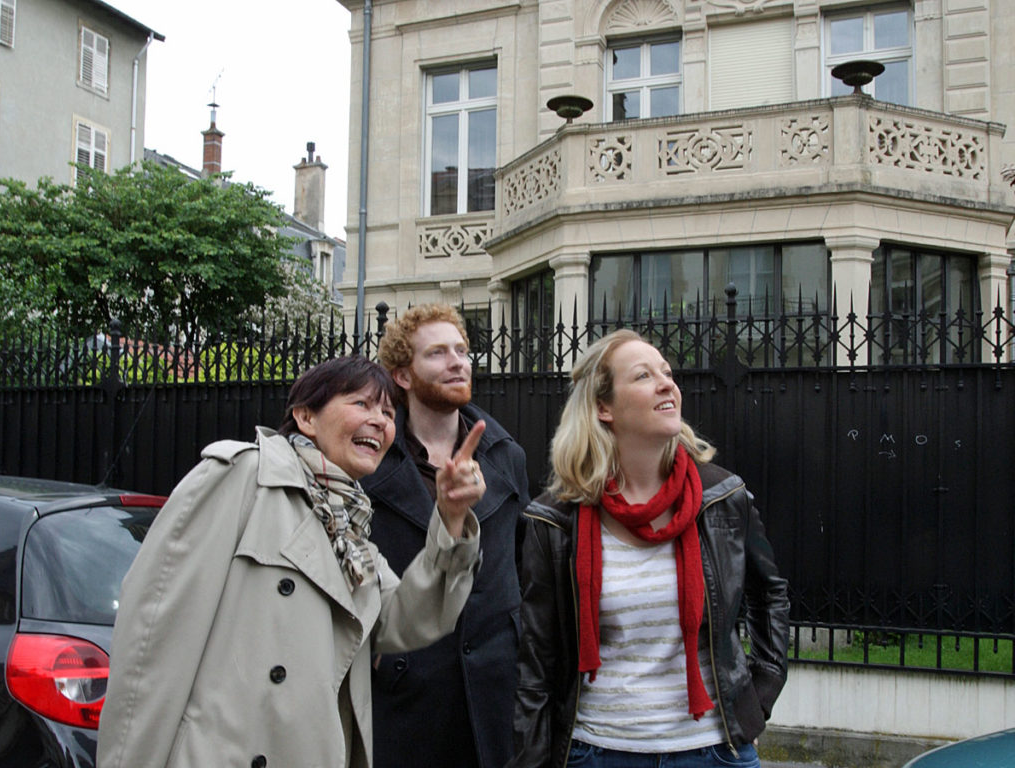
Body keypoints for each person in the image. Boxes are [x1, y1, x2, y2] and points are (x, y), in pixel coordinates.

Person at [98, 355, 487, 768]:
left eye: (389, 412)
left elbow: (407, 620)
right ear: (306, 417)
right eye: (361, 404)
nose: (380, 421)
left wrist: (450, 517)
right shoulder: (245, 476)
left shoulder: (352, 533)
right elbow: (154, 631)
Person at [509, 329, 790, 768]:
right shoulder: (554, 521)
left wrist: (761, 689)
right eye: (643, 376)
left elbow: (769, 593)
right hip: (598, 752)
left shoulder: (723, 498)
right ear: (603, 408)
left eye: (667, 373)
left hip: (715, 751)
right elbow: (537, 663)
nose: (667, 384)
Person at [361, 303, 530, 768]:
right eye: (436, 353)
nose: (457, 361)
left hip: (494, 693)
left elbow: (523, 569)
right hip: (404, 692)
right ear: (403, 375)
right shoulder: (369, 465)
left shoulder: (506, 455)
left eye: (461, 350)